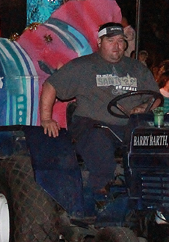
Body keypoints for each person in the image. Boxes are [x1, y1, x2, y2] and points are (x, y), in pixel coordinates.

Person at [39, 22, 159, 193]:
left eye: (120, 41)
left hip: (131, 127)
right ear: (100, 42)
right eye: (110, 41)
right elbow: (51, 85)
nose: (116, 46)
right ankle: (98, 194)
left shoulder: (137, 68)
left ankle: (153, 193)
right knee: (99, 144)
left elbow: (155, 97)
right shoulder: (83, 66)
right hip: (93, 124)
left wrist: (143, 107)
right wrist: (46, 119)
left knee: (161, 144)